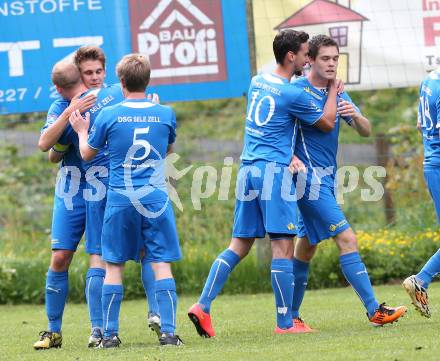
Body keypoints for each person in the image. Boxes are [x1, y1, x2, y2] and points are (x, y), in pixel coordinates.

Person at [187, 29, 340, 337]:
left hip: (248, 169)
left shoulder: (257, 81)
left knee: (238, 245)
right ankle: (285, 323)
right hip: (273, 173)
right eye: (306, 53)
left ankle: (202, 306)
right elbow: (325, 124)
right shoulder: (293, 92)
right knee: (283, 247)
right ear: (291, 56)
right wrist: (334, 91)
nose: (310, 59)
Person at [289, 35, 407, 329]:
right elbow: (279, 129)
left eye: (335, 59)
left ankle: (289, 316)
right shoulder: (296, 90)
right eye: (325, 58)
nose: (331, 64)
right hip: (308, 180)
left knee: (306, 246)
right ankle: (373, 311)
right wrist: (288, 156)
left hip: (326, 180)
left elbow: (365, 130)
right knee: (347, 239)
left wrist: (356, 115)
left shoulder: (338, 92)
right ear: (311, 60)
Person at [70, 54, 183, 347]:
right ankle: (169, 333)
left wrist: (82, 131)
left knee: (114, 266)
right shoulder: (165, 113)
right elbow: (168, 148)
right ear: (147, 80)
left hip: (121, 197)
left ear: (121, 81)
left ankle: (109, 335)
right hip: (155, 196)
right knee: (161, 263)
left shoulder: (110, 114)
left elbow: (86, 154)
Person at [33, 61, 98, 350]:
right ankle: (53, 331)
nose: (94, 77)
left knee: (103, 258)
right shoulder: (60, 106)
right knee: (60, 257)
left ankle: (101, 331)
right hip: (71, 190)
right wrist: (71, 111)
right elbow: (46, 145)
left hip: (104, 188)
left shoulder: (107, 100)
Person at [402, 67, 440, 318]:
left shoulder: (429, 80)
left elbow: (419, 124)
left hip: (432, 164)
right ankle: (421, 279)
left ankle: (422, 281)